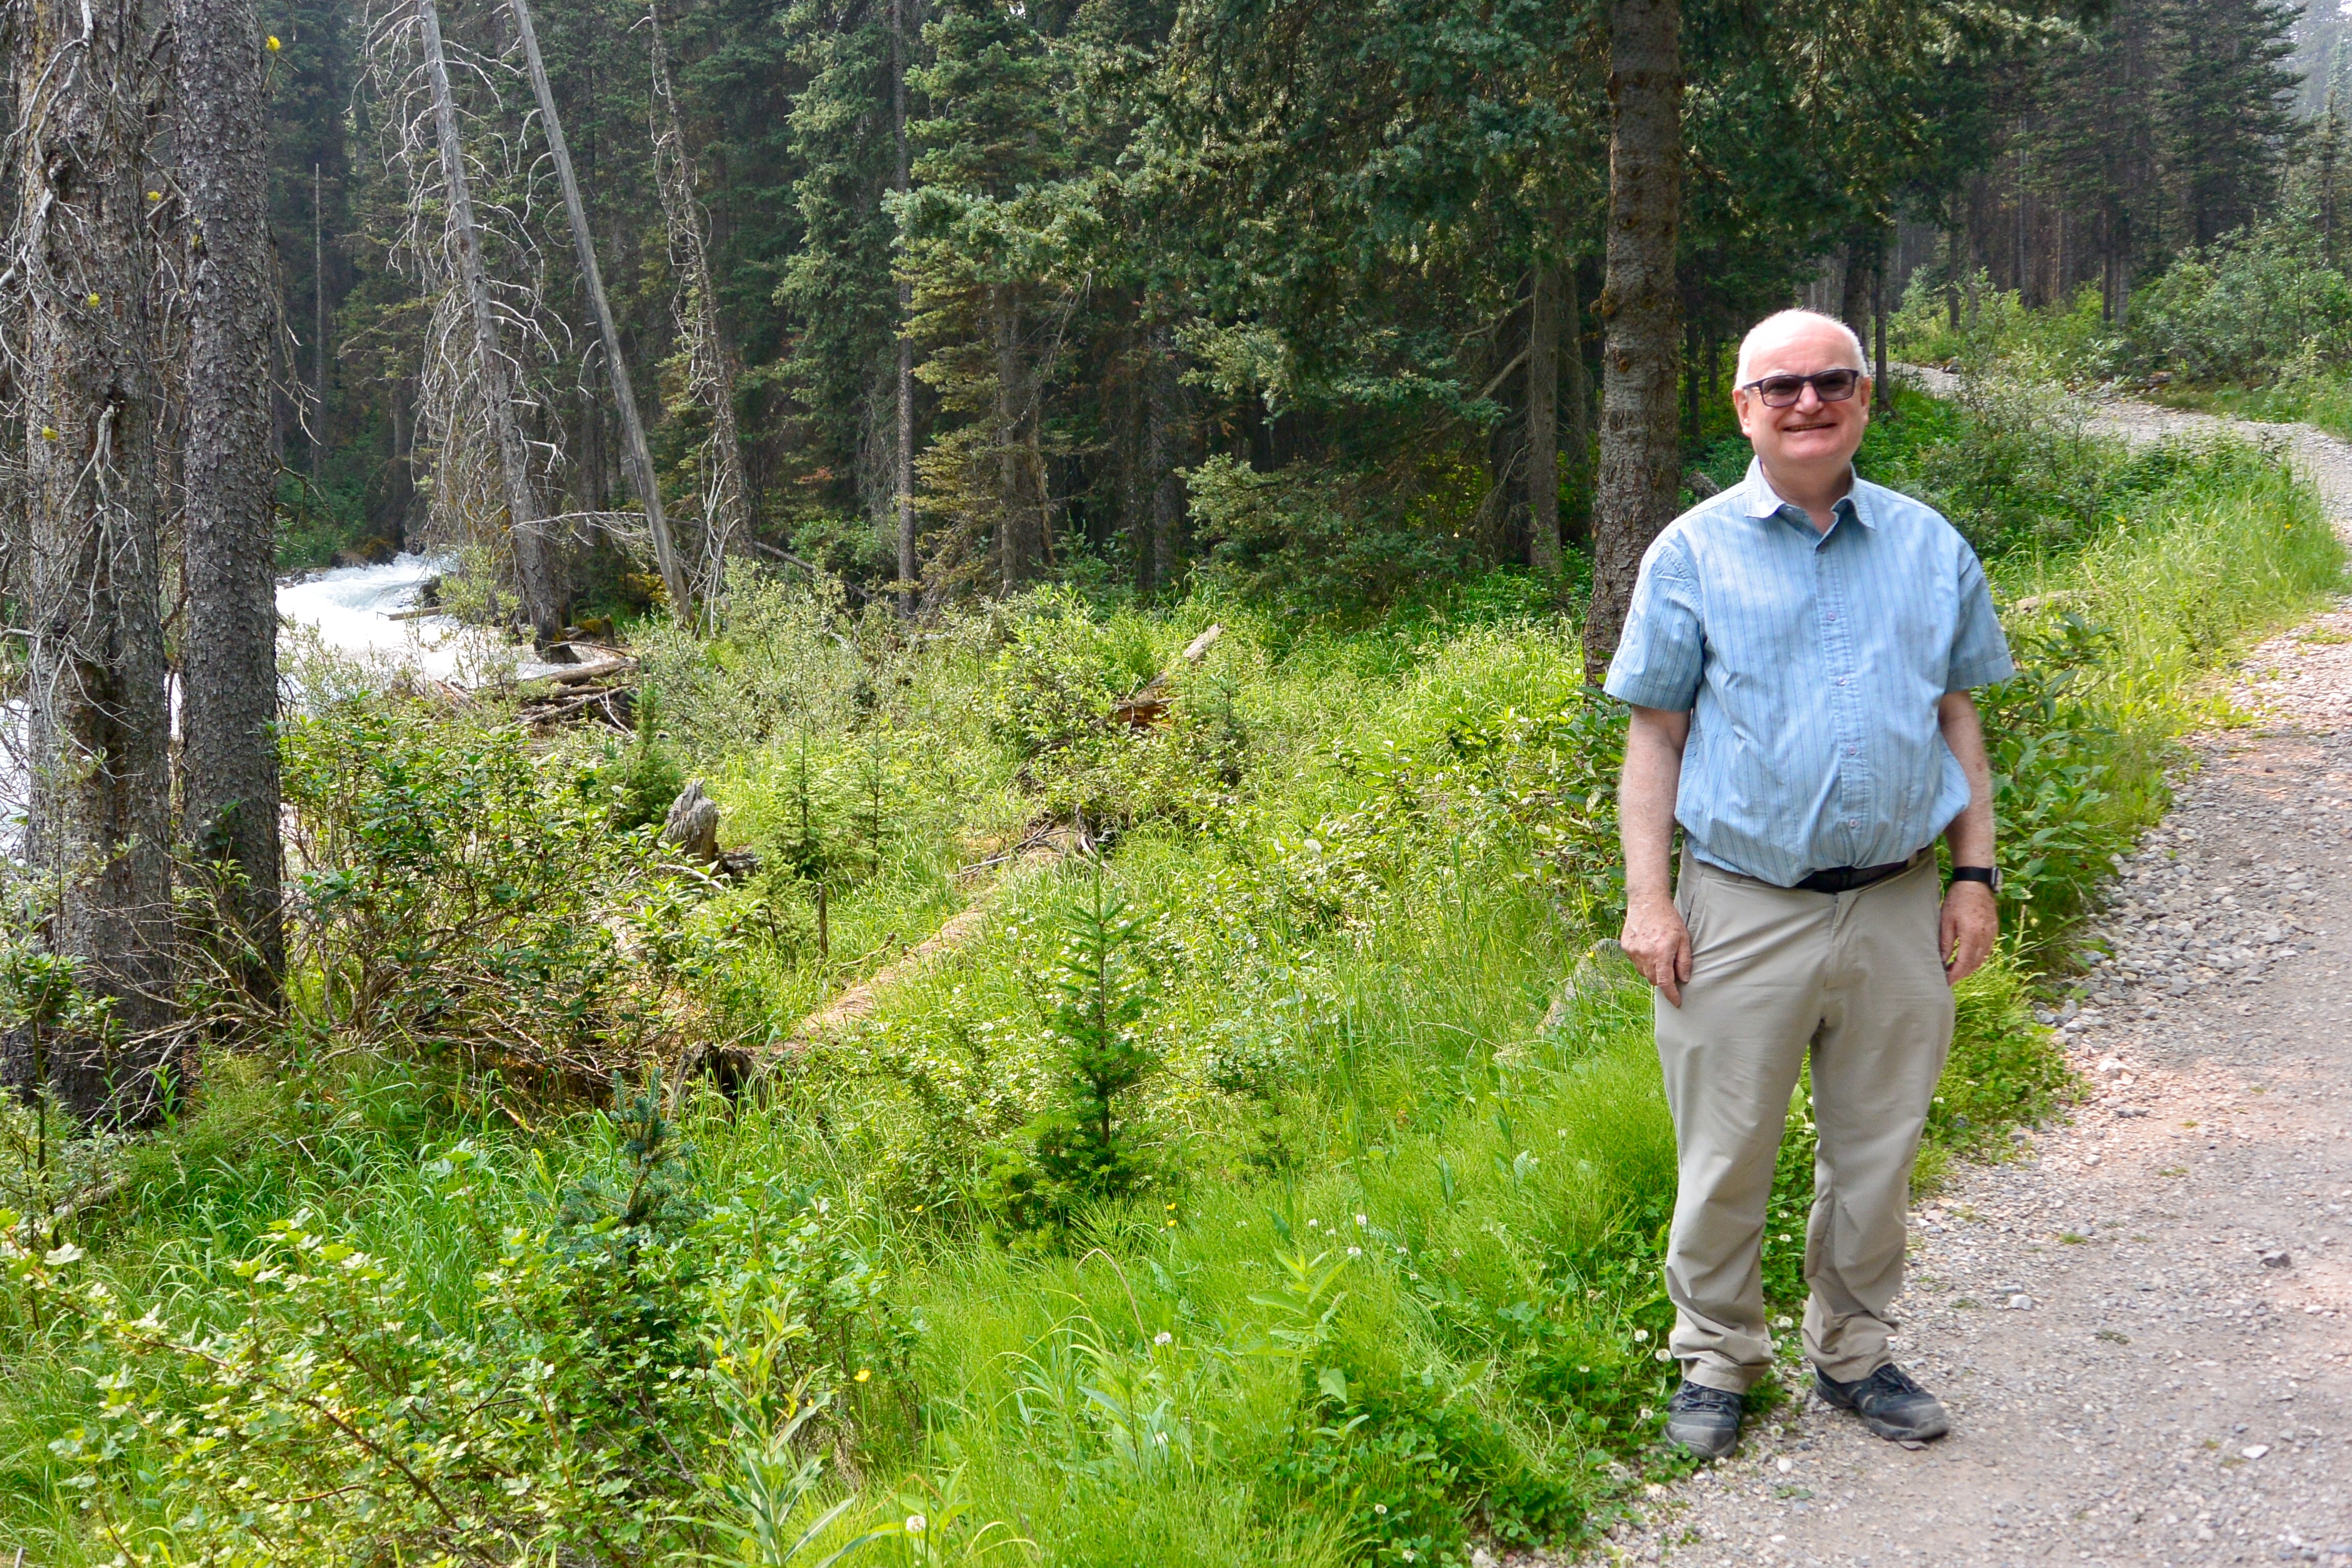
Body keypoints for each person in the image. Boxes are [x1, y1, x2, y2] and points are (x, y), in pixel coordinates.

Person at [1601, 308, 2013, 1459]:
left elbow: (1957, 720)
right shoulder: (1689, 554)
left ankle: (1855, 1354)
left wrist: (1974, 876)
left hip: (1898, 903)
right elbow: (1655, 738)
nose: (1808, 403)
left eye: (1832, 381)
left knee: (1877, 1153)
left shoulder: (1930, 546)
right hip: (1740, 906)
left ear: (1864, 397)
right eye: (1780, 387)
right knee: (1726, 1155)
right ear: (1744, 409)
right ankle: (1715, 1359)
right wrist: (1649, 901)